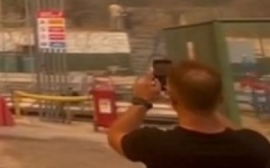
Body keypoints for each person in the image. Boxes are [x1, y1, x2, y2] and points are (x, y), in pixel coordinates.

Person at [107, 60, 270, 168]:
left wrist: (142, 100)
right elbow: (238, 134)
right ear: (221, 99)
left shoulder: (155, 144)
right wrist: (208, 99)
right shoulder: (255, 145)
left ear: (172, 101)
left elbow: (115, 134)